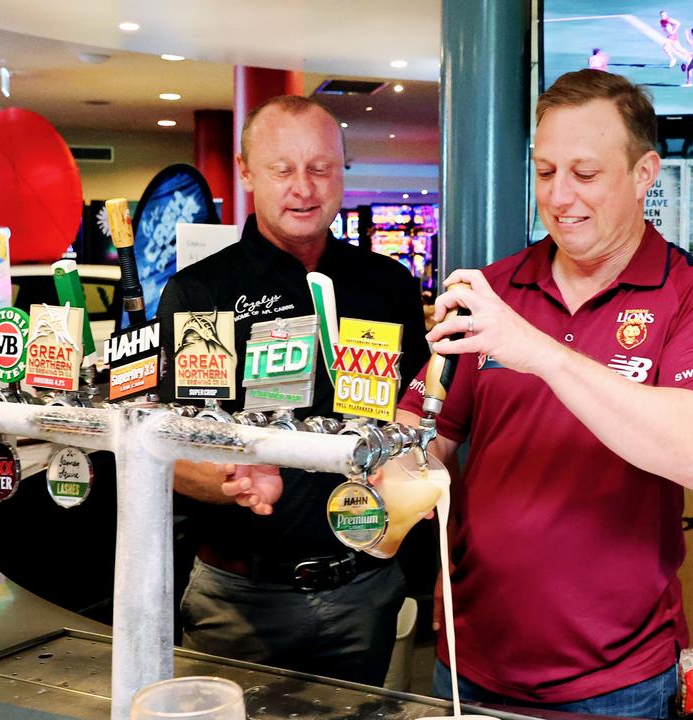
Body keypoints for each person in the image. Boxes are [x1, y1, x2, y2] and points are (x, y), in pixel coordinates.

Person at [407, 70, 693, 718]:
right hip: (468, 666)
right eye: (545, 172)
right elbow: (423, 437)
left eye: (584, 174)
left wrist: (537, 351)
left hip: (617, 685)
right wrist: (398, 477)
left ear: (644, 173)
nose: (559, 196)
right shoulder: (492, 290)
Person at [156, 95, 429, 686]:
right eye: (282, 168)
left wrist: (410, 449)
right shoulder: (202, 292)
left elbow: (418, 399)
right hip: (240, 598)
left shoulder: (385, 285)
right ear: (248, 171)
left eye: (321, 168)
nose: (303, 188)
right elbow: (170, 450)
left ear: (341, 171)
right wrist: (233, 478)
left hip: (364, 585)